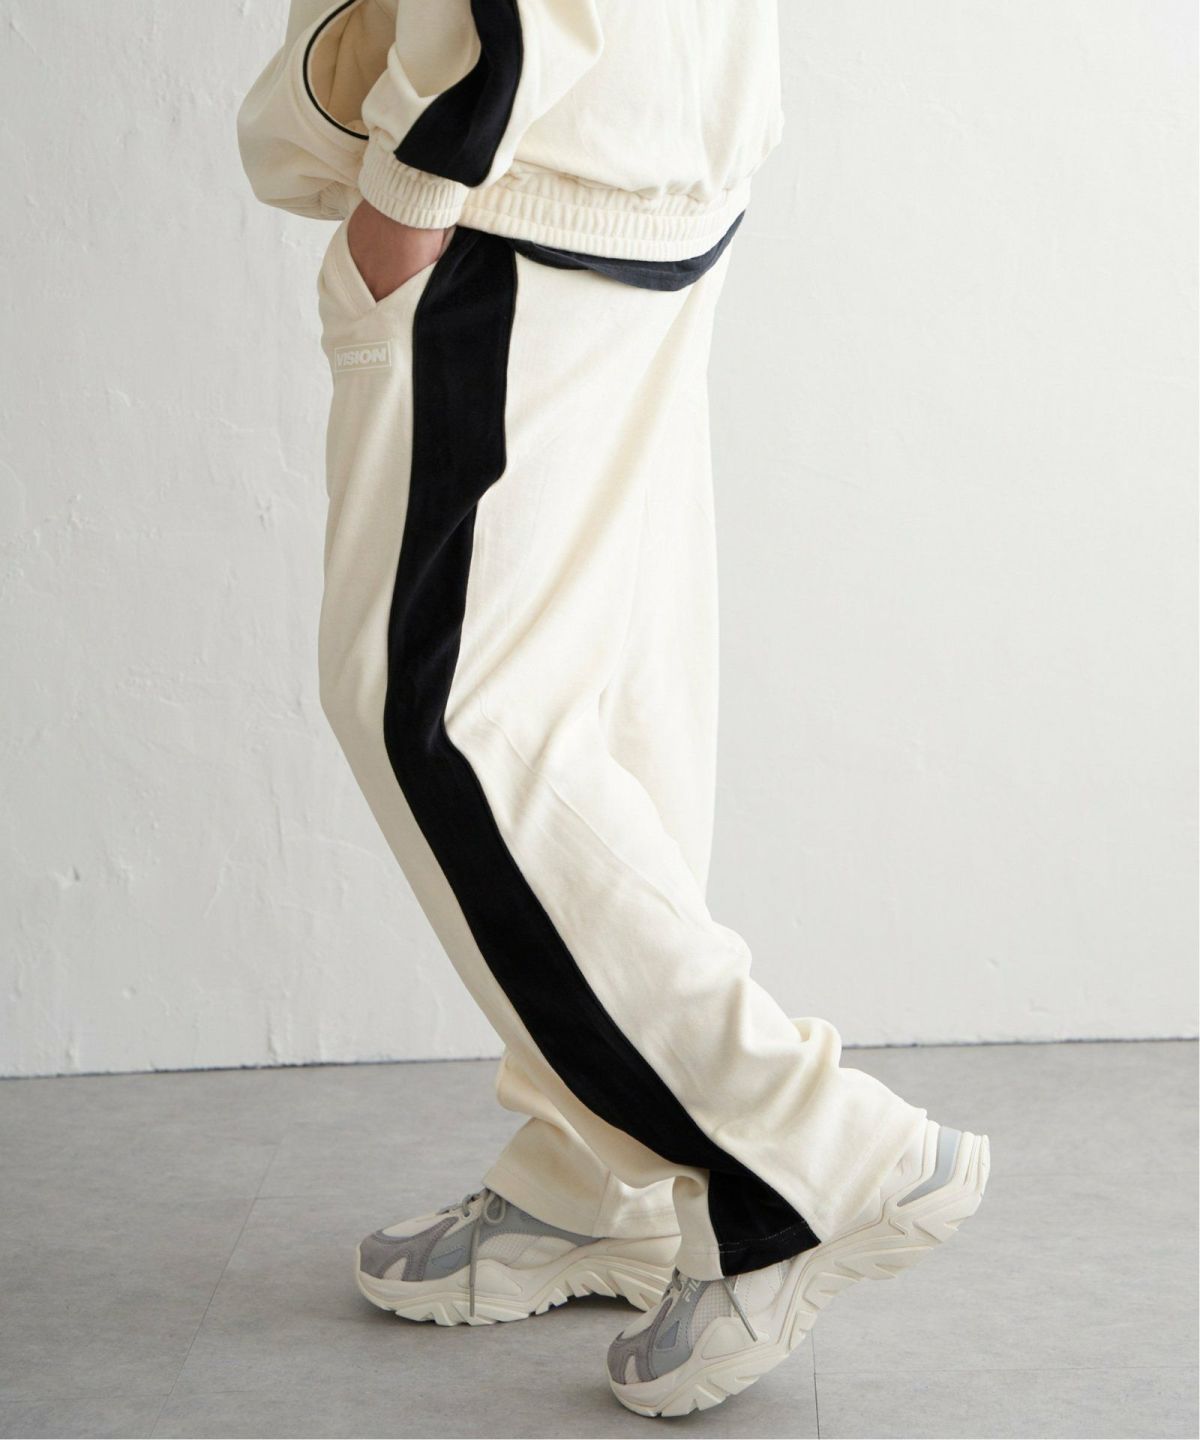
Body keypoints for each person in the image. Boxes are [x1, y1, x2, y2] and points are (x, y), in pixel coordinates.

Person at [238, 0, 990, 1418]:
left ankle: (806, 1157)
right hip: (641, 137)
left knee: (440, 712)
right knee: (599, 696)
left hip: (514, 158)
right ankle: (596, 1172)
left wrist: (419, 177)